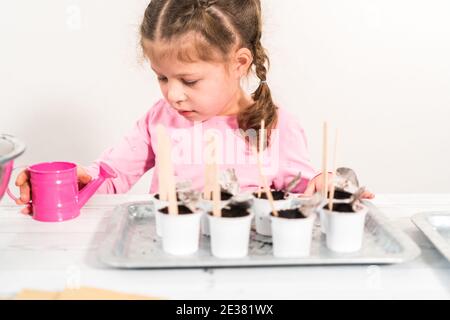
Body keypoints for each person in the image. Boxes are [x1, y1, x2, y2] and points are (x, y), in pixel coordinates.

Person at [14, 0, 374, 214]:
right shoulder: (159, 120)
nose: (173, 95)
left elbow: (301, 193)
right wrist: (74, 183)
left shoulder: (274, 126)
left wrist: (324, 184)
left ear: (239, 63)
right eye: (162, 78)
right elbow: (110, 178)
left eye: (189, 81)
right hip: (169, 260)